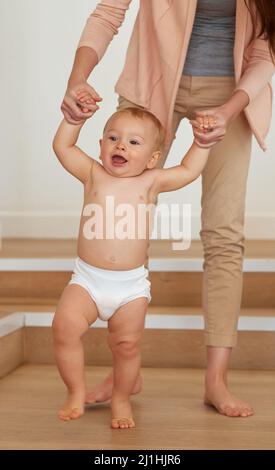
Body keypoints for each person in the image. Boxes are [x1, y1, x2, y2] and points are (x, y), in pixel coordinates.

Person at [61, 0, 275, 418]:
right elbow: (108, 13)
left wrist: (230, 109)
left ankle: (216, 380)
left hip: (231, 92)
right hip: (150, 83)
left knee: (224, 233)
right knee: (122, 218)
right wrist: (77, 78)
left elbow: (266, 49)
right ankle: (126, 370)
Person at [52, 105, 213, 428]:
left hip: (130, 287)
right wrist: (73, 121)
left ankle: (122, 398)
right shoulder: (93, 174)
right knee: (64, 328)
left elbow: (187, 170)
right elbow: (63, 147)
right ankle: (75, 390)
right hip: (87, 279)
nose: (121, 145)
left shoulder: (151, 182)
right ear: (101, 145)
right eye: (113, 138)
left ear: (152, 158)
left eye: (133, 143)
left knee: (126, 346)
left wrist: (202, 143)